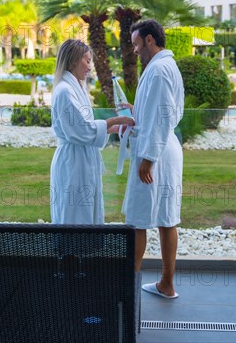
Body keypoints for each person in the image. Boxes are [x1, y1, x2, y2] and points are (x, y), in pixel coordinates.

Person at [122, 20, 184, 299]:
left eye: (136, 43)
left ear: (149, 40)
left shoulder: (158, 70)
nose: (134, 50)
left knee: (138, 221)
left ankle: (128, 289)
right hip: (165, 148)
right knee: (166, 217)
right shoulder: (166, 67)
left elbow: (160, 117)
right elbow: (167, 113)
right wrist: (137, 111)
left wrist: (148, 158)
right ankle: (166, 284)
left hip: (155, 152)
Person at [50, 39, 135, 224]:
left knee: (84, 212)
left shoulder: (76, 87)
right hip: (73, 162)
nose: (90, 67)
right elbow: (82, 130)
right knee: (74, 214)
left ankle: (82, 252)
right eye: (87, 61)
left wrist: (113, 128)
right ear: (73, 60)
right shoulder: (65, 91)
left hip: (81, 158)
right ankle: (71, 253)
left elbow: (84, 127)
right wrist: (115, 120)